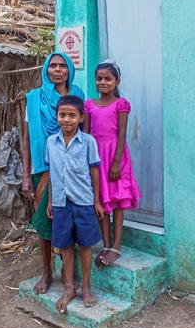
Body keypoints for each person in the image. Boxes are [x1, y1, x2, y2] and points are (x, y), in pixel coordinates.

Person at [21, 53, 85, 295]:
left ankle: (71, 274)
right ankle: (47, 272)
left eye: (62, 66)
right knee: (43, 221)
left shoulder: (78, 95)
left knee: (71, 220)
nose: (57, 70)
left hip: (72, 169)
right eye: (52, 66)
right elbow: (27, 137)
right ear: (46, 70)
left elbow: (84, 133)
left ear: (69, 70)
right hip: (42, 168)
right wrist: (26, 174)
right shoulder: (35, 98)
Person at [43, 95, 104, 312]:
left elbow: (95, 171)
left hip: (83, 201)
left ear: (80, 118)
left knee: (85, 246)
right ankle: (69, 287)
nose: (66, 119)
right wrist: (51, 201)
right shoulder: (51, 142)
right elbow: (52, 173)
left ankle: (86, 286)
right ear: (57, 116)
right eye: (62, 115)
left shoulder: (88, 142)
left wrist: (96, 200)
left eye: (71, 115)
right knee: (66, 247)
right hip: (60, 202)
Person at [83, 59, 141, 267]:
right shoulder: (89, 105)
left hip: (116, 157)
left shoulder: (121, 104)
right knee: (100, 200)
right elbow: (86, 134)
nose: (103, 82)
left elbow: (122, 133)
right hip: (96, 158)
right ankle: (105, 244)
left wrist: (116, 162)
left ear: (117, 81)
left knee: (116, 202)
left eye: (108, 79)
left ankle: (116, 245)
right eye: (99, 79)